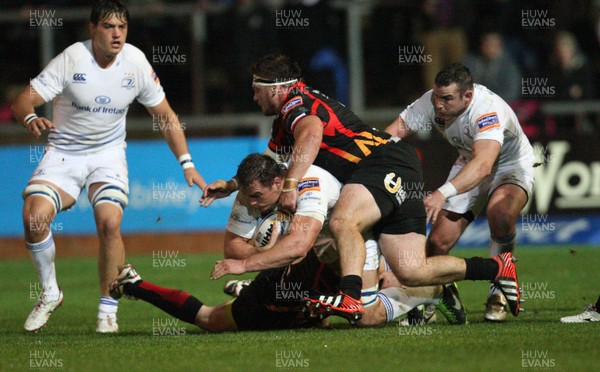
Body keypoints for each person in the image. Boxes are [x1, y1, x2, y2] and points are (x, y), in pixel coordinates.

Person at [202, 55, 521, 323]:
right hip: (396, 165)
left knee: (342, 222)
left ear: (279, 89)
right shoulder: (287, 118)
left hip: (382, 165)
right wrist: (231, 185)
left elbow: (311, 135)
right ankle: (497, 266)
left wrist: (290, 185)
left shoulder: (295, 105)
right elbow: (271, 164)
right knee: (411, 270)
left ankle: (351, 297)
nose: (254, 96)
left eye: (258, 90)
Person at [11, 0, 206, 333]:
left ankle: (107, 310)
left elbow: (165, 116)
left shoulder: (135, 62)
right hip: (65, 153)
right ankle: (50, 292)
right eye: (108, 27)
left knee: (109, 223)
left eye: (122, 27)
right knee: (34, 217)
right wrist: (30, 117)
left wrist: (187, 163)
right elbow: (22, 99)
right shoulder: (73, 58)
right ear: (92, 29)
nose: (117, 34)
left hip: (108, 154)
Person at [111, 154, 463, 332]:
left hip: (323, 259)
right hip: (289, 280)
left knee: (369, 294)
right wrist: (267, 251)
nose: (252, 203)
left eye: (257, 196)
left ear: (279, 182)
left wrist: (258, 259)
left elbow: (298, 246)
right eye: (247, 194)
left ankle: (427, 291)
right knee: (213, 320)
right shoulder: (249, 199)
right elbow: (235, 249)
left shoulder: (305, 185)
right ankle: (426, 294)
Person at [386, 63, 534, 322]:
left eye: (447, 98)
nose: (439, 105)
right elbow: (390, 136)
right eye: (436, 96)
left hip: (508, 164)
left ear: (467, 96)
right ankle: (439, 293)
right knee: (437, 243)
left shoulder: (487, 110)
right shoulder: (429, 103)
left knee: (499, 212)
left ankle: (498, 288)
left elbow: (484, 166)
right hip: (469, 162)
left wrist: (441, 193)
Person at [462, 31, 521, 101]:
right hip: (472, 102)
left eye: (494, 45)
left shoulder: (508, 66)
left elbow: (511, 92)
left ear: (500, 46)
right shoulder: (470, 61)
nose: (490, 48)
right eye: (487, 44)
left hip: (499, 103)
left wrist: (489, 99)